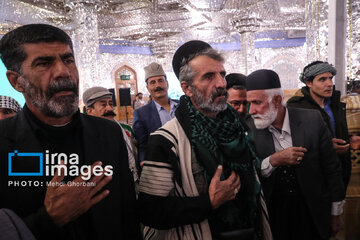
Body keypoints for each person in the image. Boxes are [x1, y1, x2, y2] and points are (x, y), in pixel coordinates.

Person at [0, 24, 141, 240]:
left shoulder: (108, 132)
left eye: (67, 60)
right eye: (44, 63)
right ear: (16, 81)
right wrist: (48, 219)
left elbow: (127, 216)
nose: (63, 72)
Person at [138, 40, 272, 240]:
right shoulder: (166, 140)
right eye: (208, 77)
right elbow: (151, 211)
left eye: (222, 75)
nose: (220, 84)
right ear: (187, 88)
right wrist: (208, 201)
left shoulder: (237, 127)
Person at [246, 69, 345, 240]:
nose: (251, 110)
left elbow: (332, 169)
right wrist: (273, 160)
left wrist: (336, 213)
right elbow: (248, 172)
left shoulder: (312, 120)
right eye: (250, 103)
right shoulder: (249, 128)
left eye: (256, 102)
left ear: (276, 100)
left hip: (311, 211)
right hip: (273, 213)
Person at [287, 61, 353, 189]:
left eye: (330, 78)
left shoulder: (335, 105)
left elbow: (334, 131)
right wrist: (326, 147)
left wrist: (349, 139)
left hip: (338, 171)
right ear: (309, 83)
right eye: (322, 79)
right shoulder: (297, 107)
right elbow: (291, 141)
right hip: (313, 175)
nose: (329, 84)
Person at [82, 86, 140, 195]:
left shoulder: (125, 129)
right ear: (89, 111)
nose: (109, 108)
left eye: (110, 104)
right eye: (103, 104)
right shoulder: (85, 136)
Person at [133, 62, 179, 164]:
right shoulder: (141, 114)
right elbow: (143, 145)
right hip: (163, 163)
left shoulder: (182, 106)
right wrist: (144, 162)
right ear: (147, 88)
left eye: (160, 81)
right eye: (152, 82)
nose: (157, 85)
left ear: (167, 84)